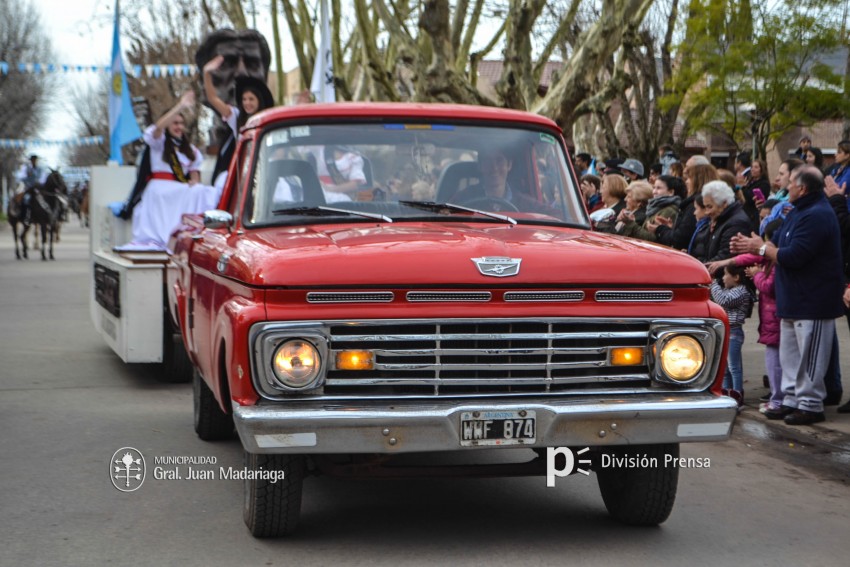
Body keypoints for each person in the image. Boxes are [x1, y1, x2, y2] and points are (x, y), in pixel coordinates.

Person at [731, 165, 844, 425]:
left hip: (813, 301)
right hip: (792, 297)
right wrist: (754, 247)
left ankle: (810, 404)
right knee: (790, 355)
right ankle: (792, 399)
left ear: (802, 188)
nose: (786, 186)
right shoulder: (798, 212)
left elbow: (794, 256)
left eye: (791, 182)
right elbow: (776, 243)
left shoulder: (817, 214)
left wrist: (761, 248)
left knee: (809, 357)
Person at [115, 92, 218, 252]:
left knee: (204, 191)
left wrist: (194, 183)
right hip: (159, 191)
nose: (179, 127)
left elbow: (195, 178)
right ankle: (160, 239)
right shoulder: (159, 143)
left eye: (181, 123)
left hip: (177, 190)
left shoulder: (191, 151)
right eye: (175, 123)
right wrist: (181, 106)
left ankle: (196, 235)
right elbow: (157, 128)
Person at [203, 54, 274, 185]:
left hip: (264, 168)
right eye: (244, 99)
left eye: (251, 99)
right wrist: (207, 73)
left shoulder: (267, 119)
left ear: (259, 100)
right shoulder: (236, 117)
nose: (247, 103)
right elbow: (213, 98)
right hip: (241, 171)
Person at [710, 264, 756, 408]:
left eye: (725, 275)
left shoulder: (741, 291)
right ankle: (726, 393)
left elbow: (723, 300)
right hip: (727, 331)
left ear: (736, 277)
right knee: (725, 368)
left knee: (734, 367)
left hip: (734, 332)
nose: (723, 278)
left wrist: (713, 284)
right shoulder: (730, 290)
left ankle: (737, 394)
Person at [648, 162, 718, 250]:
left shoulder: (693, 205)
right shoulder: (691, 203)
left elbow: (681, 238)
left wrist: (660, 229)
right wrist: (670, 228)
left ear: (698, 180)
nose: (686, 182)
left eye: (689, 178)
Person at [616, 175, 682, 242]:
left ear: (671, 192)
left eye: (658, 188)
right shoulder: (655, 208)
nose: (654, 191)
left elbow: (653, 239)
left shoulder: (669, 211)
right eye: (654, 188)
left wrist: (631, 223)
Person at [701, 180, 752, 264]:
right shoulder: (721, 218)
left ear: (724, 203)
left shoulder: (736, 223)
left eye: (709, 207)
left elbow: (725, 256)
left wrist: (702, 268)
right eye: (705, 207)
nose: (707, 212)